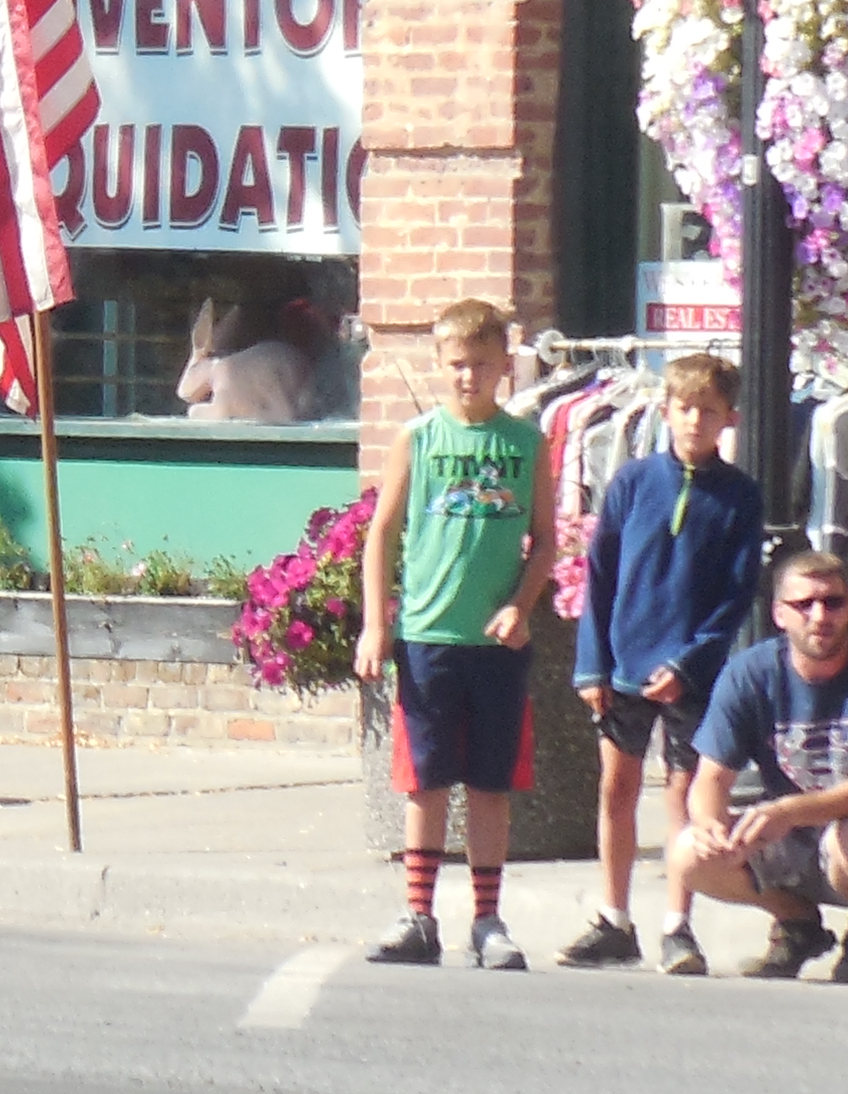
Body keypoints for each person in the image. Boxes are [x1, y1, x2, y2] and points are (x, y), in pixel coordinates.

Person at [354, 298, 553, 970]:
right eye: (457, 364)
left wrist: (521, 606)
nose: (469, 376)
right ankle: (418, 914)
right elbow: (382, 531)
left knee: (490, 783)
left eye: (482, 365)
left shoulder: (526, 443)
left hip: (494, 643)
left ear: (504, 366)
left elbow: (547, 541)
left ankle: (488, 918)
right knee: (428, 780)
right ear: (440, 364)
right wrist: (376, 624)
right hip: (428, 634)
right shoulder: (418, 438)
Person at [557, 353, 764, 969]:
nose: (693, 420)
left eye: (706, 410)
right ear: (666, 411)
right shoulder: (633, 482)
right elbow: (600, 577)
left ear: (729, 418)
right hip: (623, 665)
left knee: (682, 796)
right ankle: (614, 918)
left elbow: (735, 595)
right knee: (616, 790)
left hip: (689, 676)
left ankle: (679, 922)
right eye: (682, 408)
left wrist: (692, 664)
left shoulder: (739, 497)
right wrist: (592, 665)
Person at [667, 549, 848, 984]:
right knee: (689, 852)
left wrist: (786, 811)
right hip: (792, 835)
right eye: (804, 605)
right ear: (780, 614)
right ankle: (796, 922)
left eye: (833, 602)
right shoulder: (750, 673)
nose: (820, 616)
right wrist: (709, 823)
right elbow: (710, 776)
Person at [180, 291, 341, 425]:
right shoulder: (233, 368)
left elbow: (190, 394)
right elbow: (186, 393)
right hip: (301, 388)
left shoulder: (225, 371)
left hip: (290, 389)